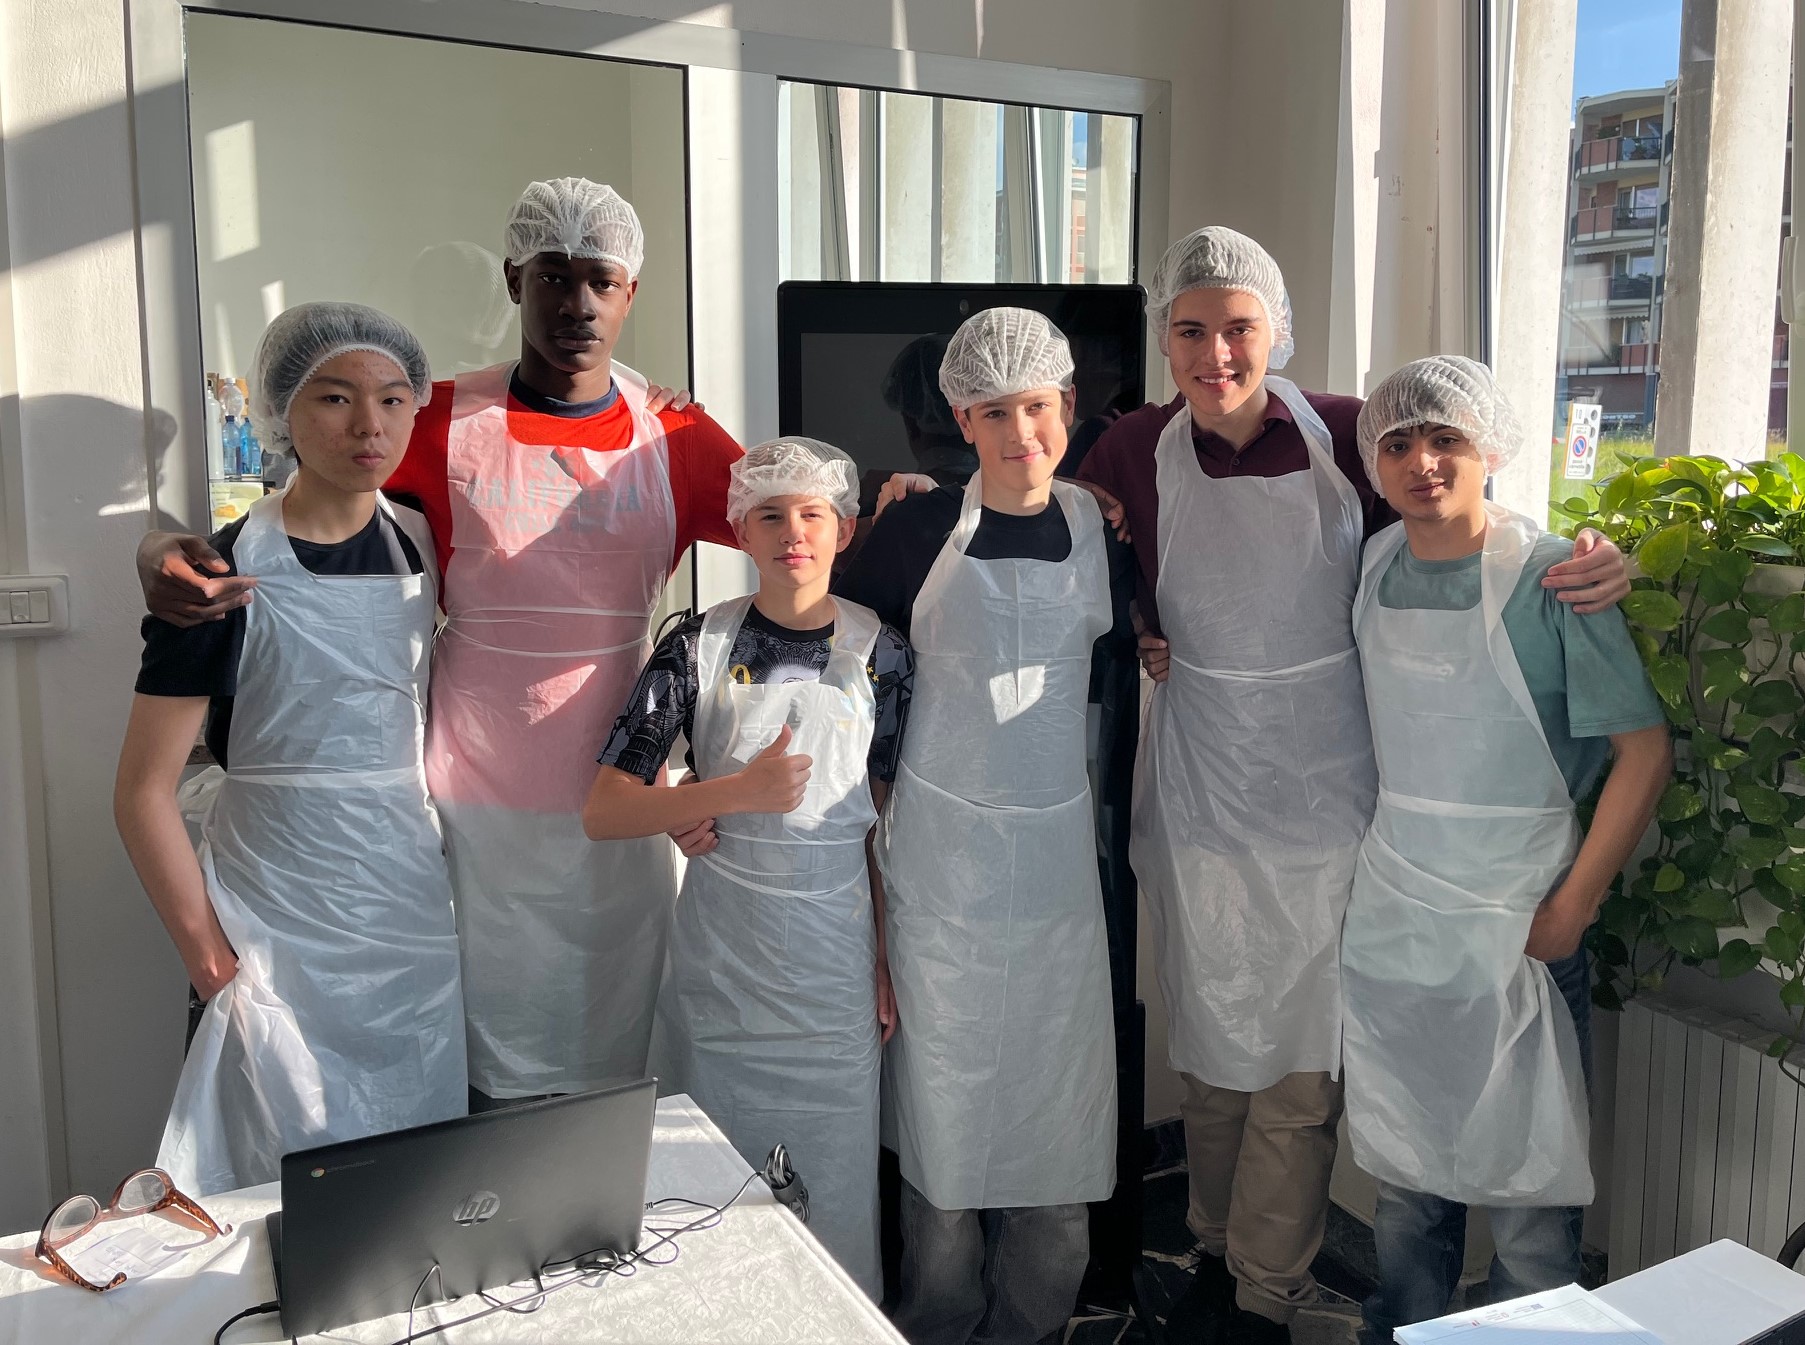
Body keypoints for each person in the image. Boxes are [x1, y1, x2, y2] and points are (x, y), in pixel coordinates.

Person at [1074, 228, 1633, 1345]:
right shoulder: (1131, 446)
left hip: (1334, 804)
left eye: (1238, 327)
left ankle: (1264, 1289)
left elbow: (1466, 526)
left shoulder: (1346, 430)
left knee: (1302, 1069)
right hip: (1203, 789)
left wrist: (1603, 552)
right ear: (1163, 340)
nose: (1215, 353)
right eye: (1189, 330)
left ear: (1276, 328)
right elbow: (1065, 525)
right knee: (1212, 1053)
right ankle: (1209, 1248)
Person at [135, 179, 746, 1109]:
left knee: (615, 1061)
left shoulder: (676, 433)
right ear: (514, 280)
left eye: (601, 280)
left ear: (631, 293)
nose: (577, 304)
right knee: (458, 1068)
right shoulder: (435, 419)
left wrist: (906, 499)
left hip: (618, 796)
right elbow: (310, 515)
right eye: (553, 276)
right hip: (457, 803)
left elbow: (806, 553)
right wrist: (154, 548)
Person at [1345, 357, 1669, 1341]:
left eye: (1445, 438)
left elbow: (1642, 753)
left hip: (1517, 927)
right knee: (1406, 1191)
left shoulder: (1552, 576)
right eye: (1397, 442)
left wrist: (1571, 908)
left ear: (1489, 448)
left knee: (1530, 1207)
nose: (1421, 461)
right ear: (1372, 461)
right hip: (1399, 923)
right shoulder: (1371, 566)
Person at [116, 303, 465, 1195]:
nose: (369, 425)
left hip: (405, 907)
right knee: (267, 1175)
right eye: (334, 398)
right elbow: (142, 791)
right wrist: (207, 957)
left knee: (408, 1175)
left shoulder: (425, 540)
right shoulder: (218, 575)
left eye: (393, 399)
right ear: (280, 411)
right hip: (270, 912)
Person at [836, 308, 1135, 1345]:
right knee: (945, 1115)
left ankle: (1034, 1325)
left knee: (1055, 1111)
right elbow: (834, 662)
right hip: (940, 868)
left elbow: (1145, 644)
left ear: (1069, 407)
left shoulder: (1099, 530)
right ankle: (937, 1320)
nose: (1020, 433)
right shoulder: (914, 531)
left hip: (1055, 870)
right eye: (994, 412)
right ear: (960, 419)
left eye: (1037, 408)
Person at [584, 437, 912, 1298]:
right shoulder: (694, 645)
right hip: (723, 964)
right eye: (769, 514)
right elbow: (606, 809)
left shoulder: (882, 653)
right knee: (707, 1178)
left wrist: (882, 955)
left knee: (833, 1176)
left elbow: (879, 826)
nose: (792, 532)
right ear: (738, 529)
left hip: (834, 968)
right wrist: (719, 795)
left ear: (843, 528)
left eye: (812, 514)